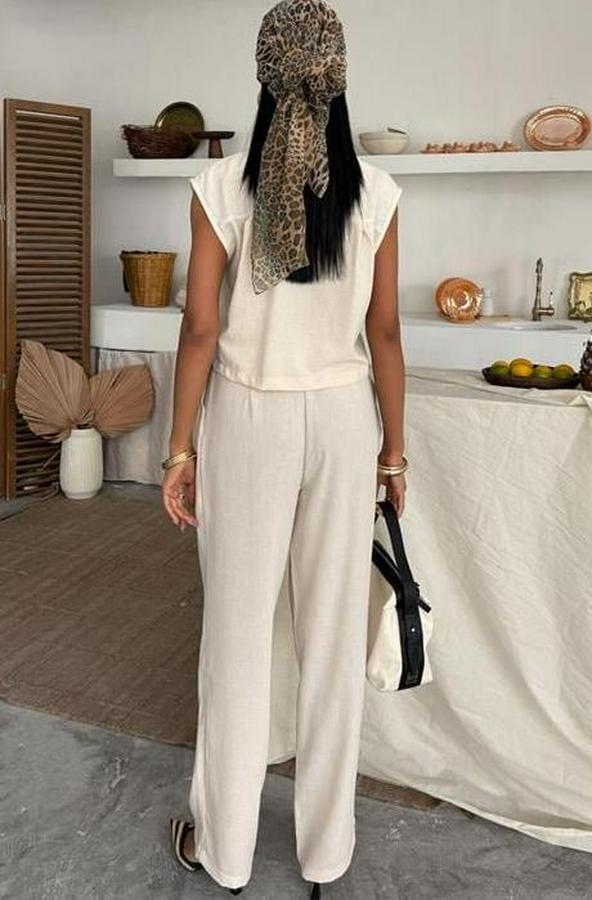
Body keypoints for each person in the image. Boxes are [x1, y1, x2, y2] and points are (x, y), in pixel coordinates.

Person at [162, 1, 406, 895]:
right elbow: (385, 333)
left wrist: (177, 450)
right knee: (332, 640)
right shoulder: (375, 192)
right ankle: (325, 853)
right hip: (344, 423)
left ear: (263, 74)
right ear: (339, 77)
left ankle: (224, 853)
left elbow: (200, 329)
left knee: (235, 637)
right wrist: (394, 455)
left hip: (249, 420)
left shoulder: (221, 187)